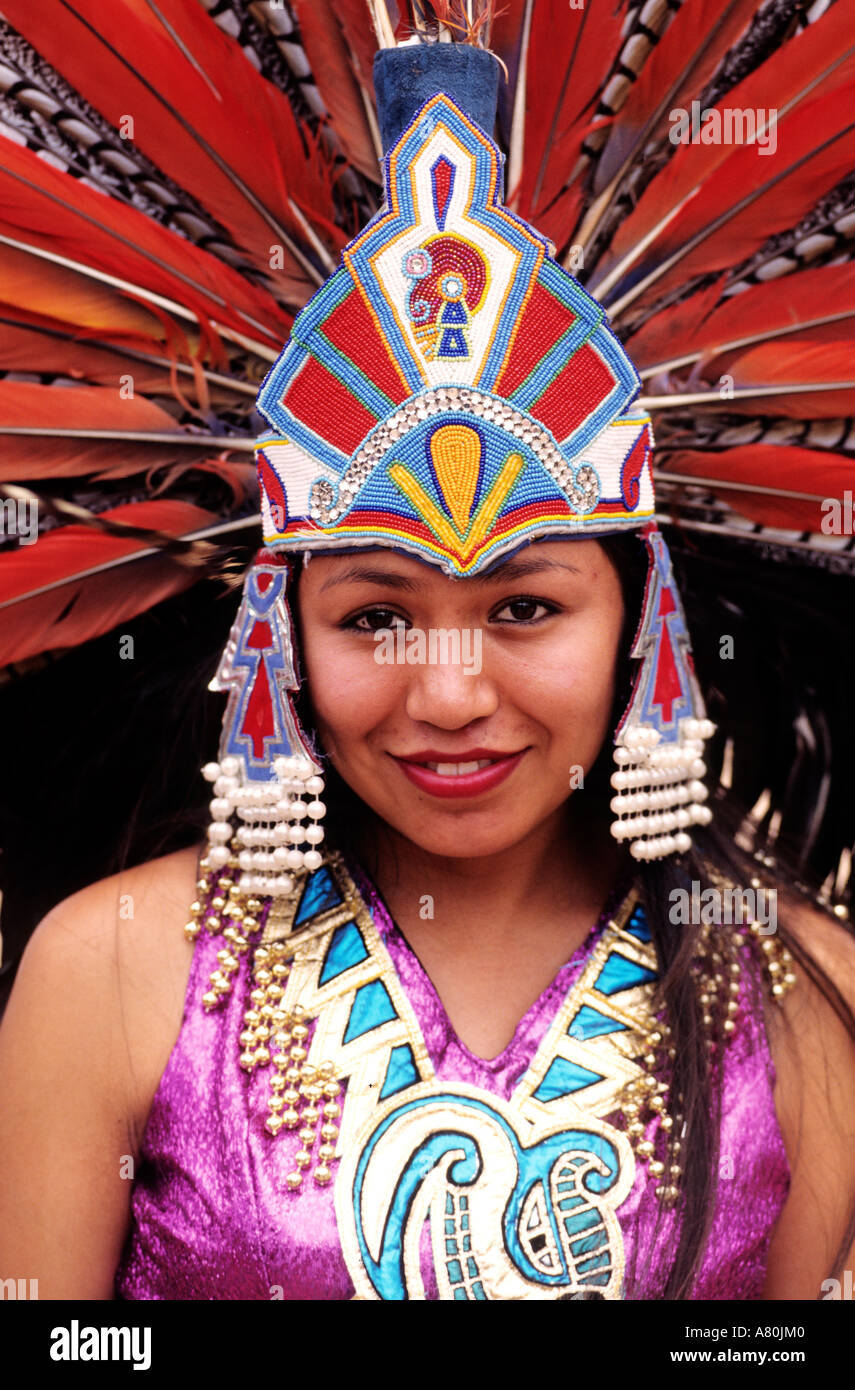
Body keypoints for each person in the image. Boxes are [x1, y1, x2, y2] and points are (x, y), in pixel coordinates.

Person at [2, 40, 855, 1303]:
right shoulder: (115, 966)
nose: (450, 695)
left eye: (522, 606)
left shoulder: (802, 988)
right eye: (375, 620)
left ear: (639, 613)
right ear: (280, 634)